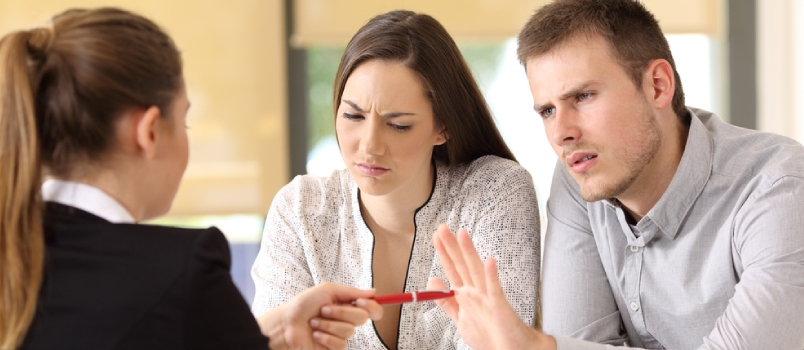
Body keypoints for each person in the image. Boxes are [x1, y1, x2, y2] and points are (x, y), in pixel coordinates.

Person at [428, 0, 804, 349]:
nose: (561, 133)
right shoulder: (580, 178)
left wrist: (538, 347)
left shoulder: (780, 188)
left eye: (583, 96)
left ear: (657, 85)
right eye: (547, 111)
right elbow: (580, 340)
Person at [0, 7, 382, 350]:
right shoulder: (180, 274)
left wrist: (262, 336)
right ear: (149, 132)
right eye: (184, 121)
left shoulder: (18, 258)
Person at [251, 9, 540, 350]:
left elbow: (506, 343)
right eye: (353, 115)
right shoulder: (300, 208)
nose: (369, 146)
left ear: (443, 126)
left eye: (398, 125)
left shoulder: (495, 191)